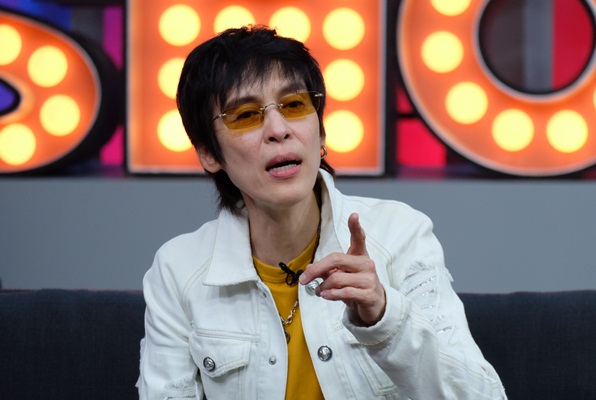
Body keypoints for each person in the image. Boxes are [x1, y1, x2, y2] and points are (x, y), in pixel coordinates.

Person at [137, 25, 506, 399]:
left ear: (322, 132)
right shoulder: (178, 270)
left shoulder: (400, 236)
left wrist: (384, 317)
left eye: (295, 105)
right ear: (208, 153)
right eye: (246, 114)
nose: (278, 129)